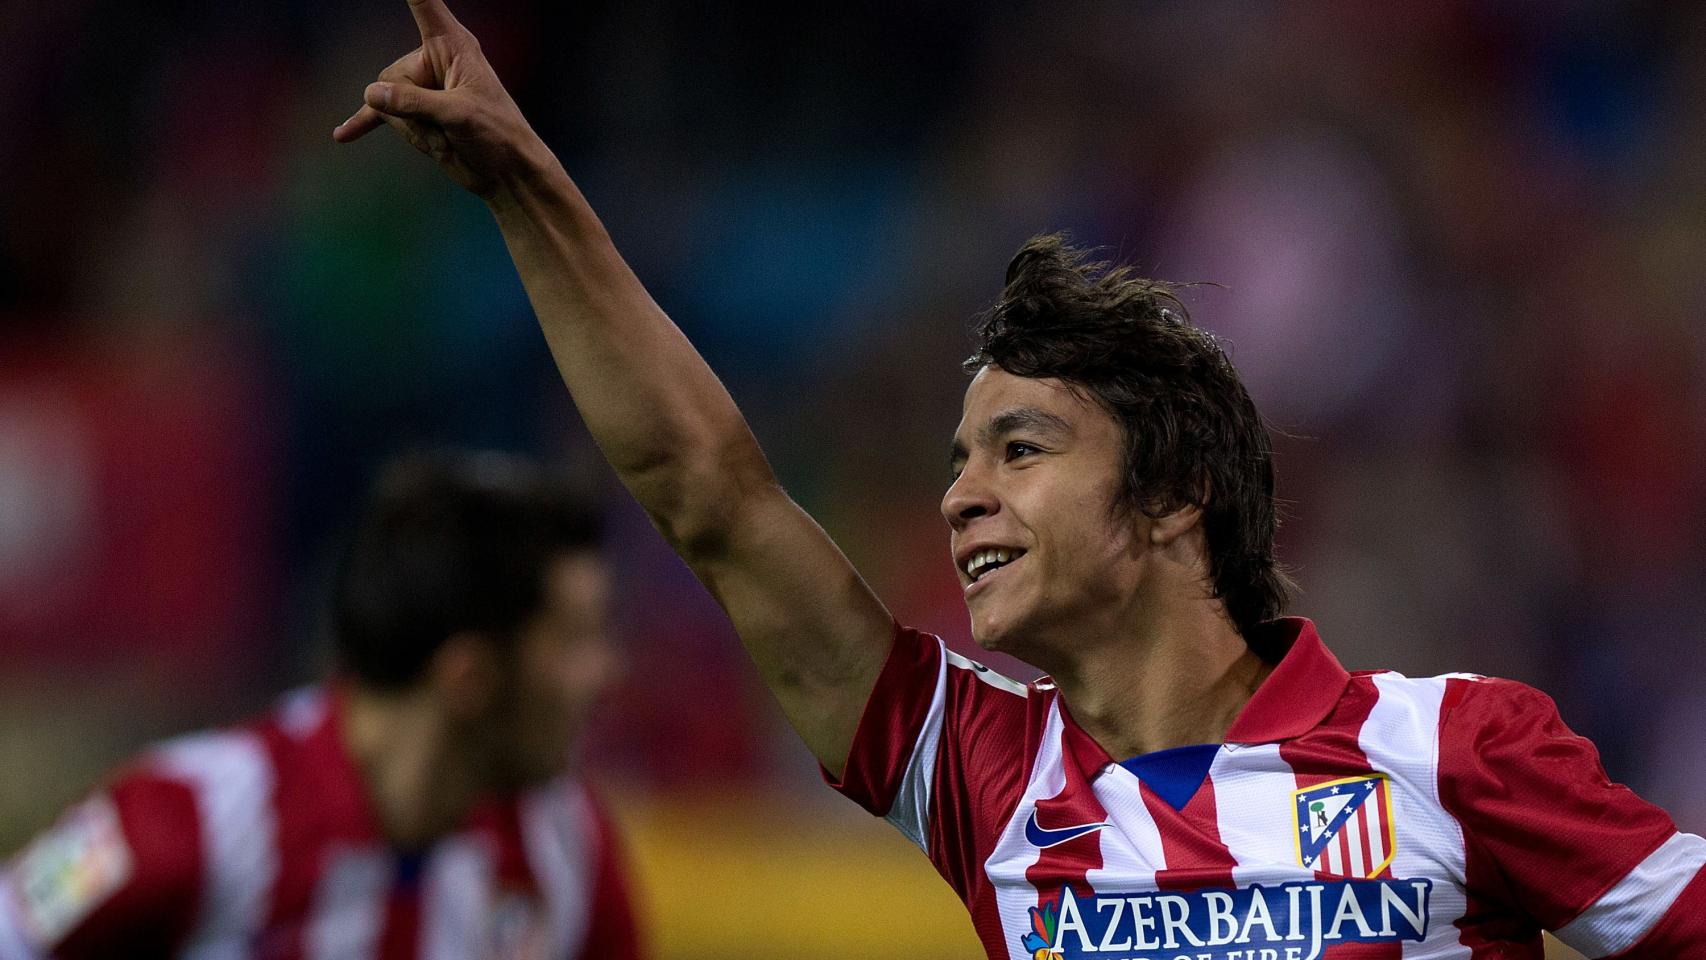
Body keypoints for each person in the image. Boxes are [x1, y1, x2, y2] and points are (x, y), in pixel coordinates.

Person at [328, 3, 1706, 957]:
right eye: (956, 460)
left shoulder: (1453, 751)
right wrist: (528, 195)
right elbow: (712, 496)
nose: (958, 497)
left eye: (1019, 449)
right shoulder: (985, 773)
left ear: (1173, 498)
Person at [0, 452, 642, 960]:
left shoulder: (569, 845)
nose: (608, 675)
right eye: (576, 640)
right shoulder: (176, 818)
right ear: (469, 676)